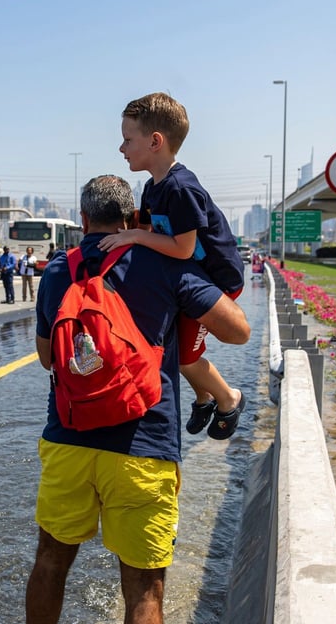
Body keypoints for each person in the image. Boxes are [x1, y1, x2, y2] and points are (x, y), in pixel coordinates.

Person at [25, 175, 251, 624]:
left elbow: (47, 357)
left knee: (49, 563)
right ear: (133, 220)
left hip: (68, 438)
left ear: (83, 219)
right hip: (143, 446)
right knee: (144, 592)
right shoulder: (163, 263)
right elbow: (238, 332)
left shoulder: (57, 271)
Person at [101, 91, 247, 439]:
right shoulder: (153, 188)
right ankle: (203, 396)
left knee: (185, 357)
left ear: (155, 141)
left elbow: (183, 248)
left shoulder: (181, 188)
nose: (121, 149)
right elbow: (153, 233)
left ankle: (228, 399)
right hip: (191, 276)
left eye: (126, 140)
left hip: (218, 281)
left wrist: (133, 237)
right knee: (176, 346)